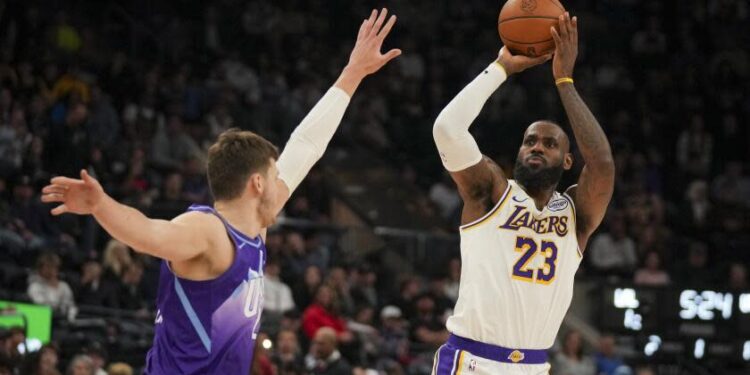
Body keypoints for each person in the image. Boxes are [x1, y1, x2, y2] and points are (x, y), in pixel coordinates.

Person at [41, 8, 401, 375]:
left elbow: (306, 145)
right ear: (257, 183)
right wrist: (101, 205)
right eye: (274, 173)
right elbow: (149, 234)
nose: (284, 182)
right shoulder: (208, 231)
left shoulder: (255, 227)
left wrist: (353, 73)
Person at [431, 13, 614, 374]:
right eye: (529, 141)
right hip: (472, 361)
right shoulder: (491, 192)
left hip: (533, 366)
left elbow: (603, 164)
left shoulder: (576, 214)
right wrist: (500, 68)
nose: (536, 147)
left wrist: (564, 81)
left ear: (566, 161)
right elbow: (447, 130)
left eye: (549, 144)